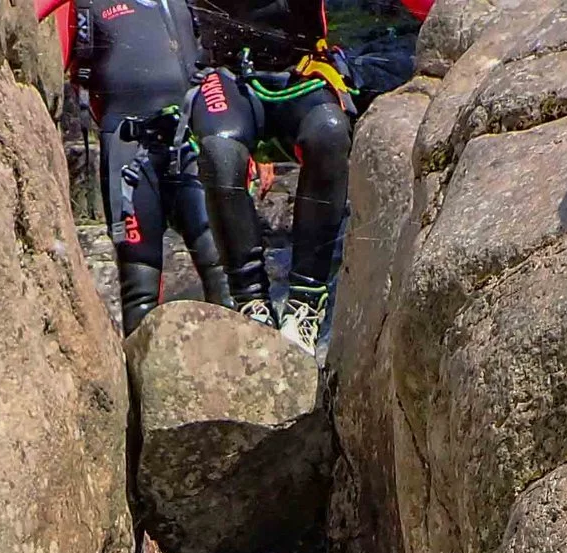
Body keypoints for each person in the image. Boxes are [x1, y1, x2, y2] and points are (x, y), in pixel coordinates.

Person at [186, 0, 352, 353]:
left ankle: (306, 303)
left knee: (329, 133)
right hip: (229, 77)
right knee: (220, 153)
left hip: (302, 73)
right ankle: (251, 304)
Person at [64, 0, 233, 333]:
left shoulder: (186, 4)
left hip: (188, 141)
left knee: (220, 262)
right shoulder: (86, 6)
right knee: (138, 278)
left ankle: (242, 369)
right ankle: (142, 379)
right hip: (128, 148)